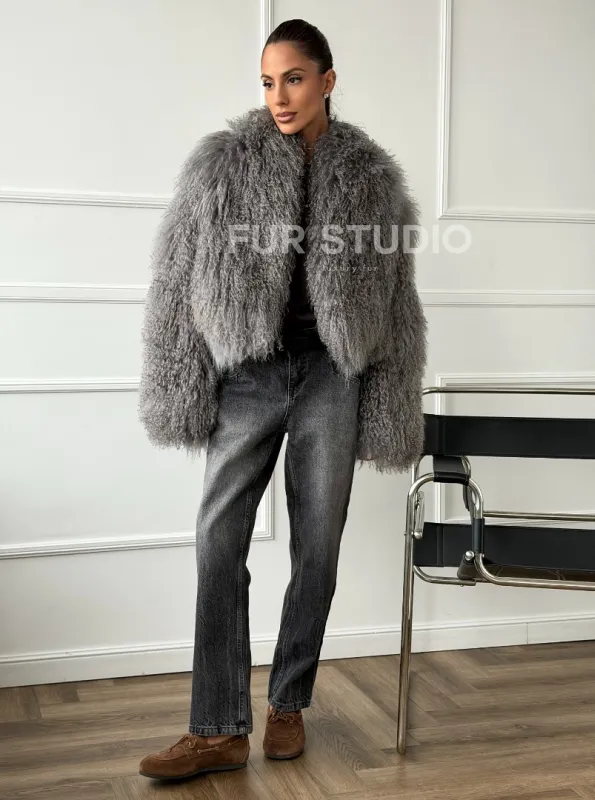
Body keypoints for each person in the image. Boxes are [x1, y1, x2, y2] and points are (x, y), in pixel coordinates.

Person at [137, 18, 427, 782]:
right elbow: (176, 280)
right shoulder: (223, 165)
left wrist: (390, 403)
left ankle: (288, 703)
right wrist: (179, 383)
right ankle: (217, 729)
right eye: (268, 82)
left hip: (333, 375)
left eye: (293, 78)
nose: (279, 96)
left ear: (327, 80)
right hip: (248, 373)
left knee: (318, 548)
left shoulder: (371, 178)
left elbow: (398, 302)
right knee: (217, 538)